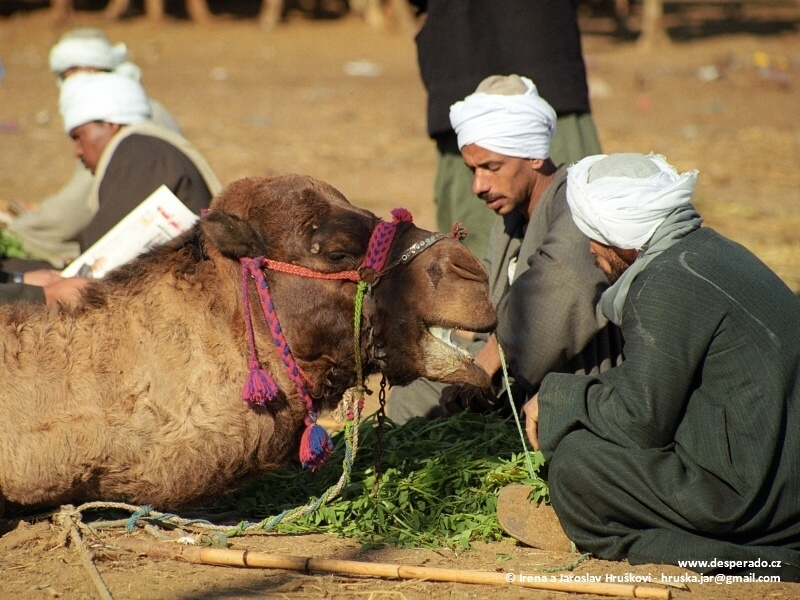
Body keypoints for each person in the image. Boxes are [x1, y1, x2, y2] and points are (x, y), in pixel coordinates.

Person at [523, 152, 800, 581]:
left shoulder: (663, 282)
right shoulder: (710, 250)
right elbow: (662, 376)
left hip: (758, 496)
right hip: (780, 473)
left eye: (593, 236)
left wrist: (558, 396)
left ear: (622, 239)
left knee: (576, 465)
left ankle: (732, 557)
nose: (591, 251)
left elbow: (639, 422)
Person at [387, 75, 623, 425]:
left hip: (577, 378)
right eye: (472, 170)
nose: (478, 186)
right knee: (415, 390)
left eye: (491, 167)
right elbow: (489, 316)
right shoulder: (509, 219)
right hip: (516, 374)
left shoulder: (578, 204)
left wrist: (489, 362)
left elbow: (557, 299)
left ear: (532, 155)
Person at [406, 0, 602, 258]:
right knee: (475, 264)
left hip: (544, 63)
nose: (478, 186)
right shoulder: (469, 137)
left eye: (491, 167)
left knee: (581, 236)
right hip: (472, 57)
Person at [3, 27, 183, 269]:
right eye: (67, 76)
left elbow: (75, 215)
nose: (74, 83)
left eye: (81, 73)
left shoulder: (122, 119)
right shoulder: (117, 111)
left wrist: (16, 229)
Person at [49, 71, 220, 260]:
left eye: (79, 137)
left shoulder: (139, 150)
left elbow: (97, 249)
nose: (77, 151)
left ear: (110, 124)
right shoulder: (143, 147)